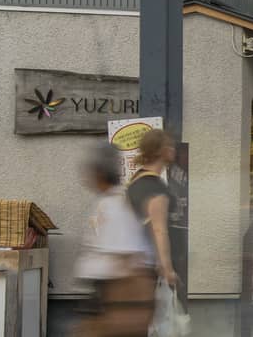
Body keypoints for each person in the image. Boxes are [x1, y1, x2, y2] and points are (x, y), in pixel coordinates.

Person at [76, 142, 154, 336]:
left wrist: (118, 309)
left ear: (100, 174)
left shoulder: (113, 205)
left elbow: (125, 255)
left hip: (114, 294)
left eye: (90, 171)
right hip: (110, 294)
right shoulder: (114, 201)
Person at [126, 129, 180, 294]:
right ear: (161, 150)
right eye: (170, 146)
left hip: (138, 262)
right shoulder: (154, 186)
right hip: (152, 266)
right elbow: (159, 229)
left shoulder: (136, 180)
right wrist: (167, 268)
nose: (174, 149)